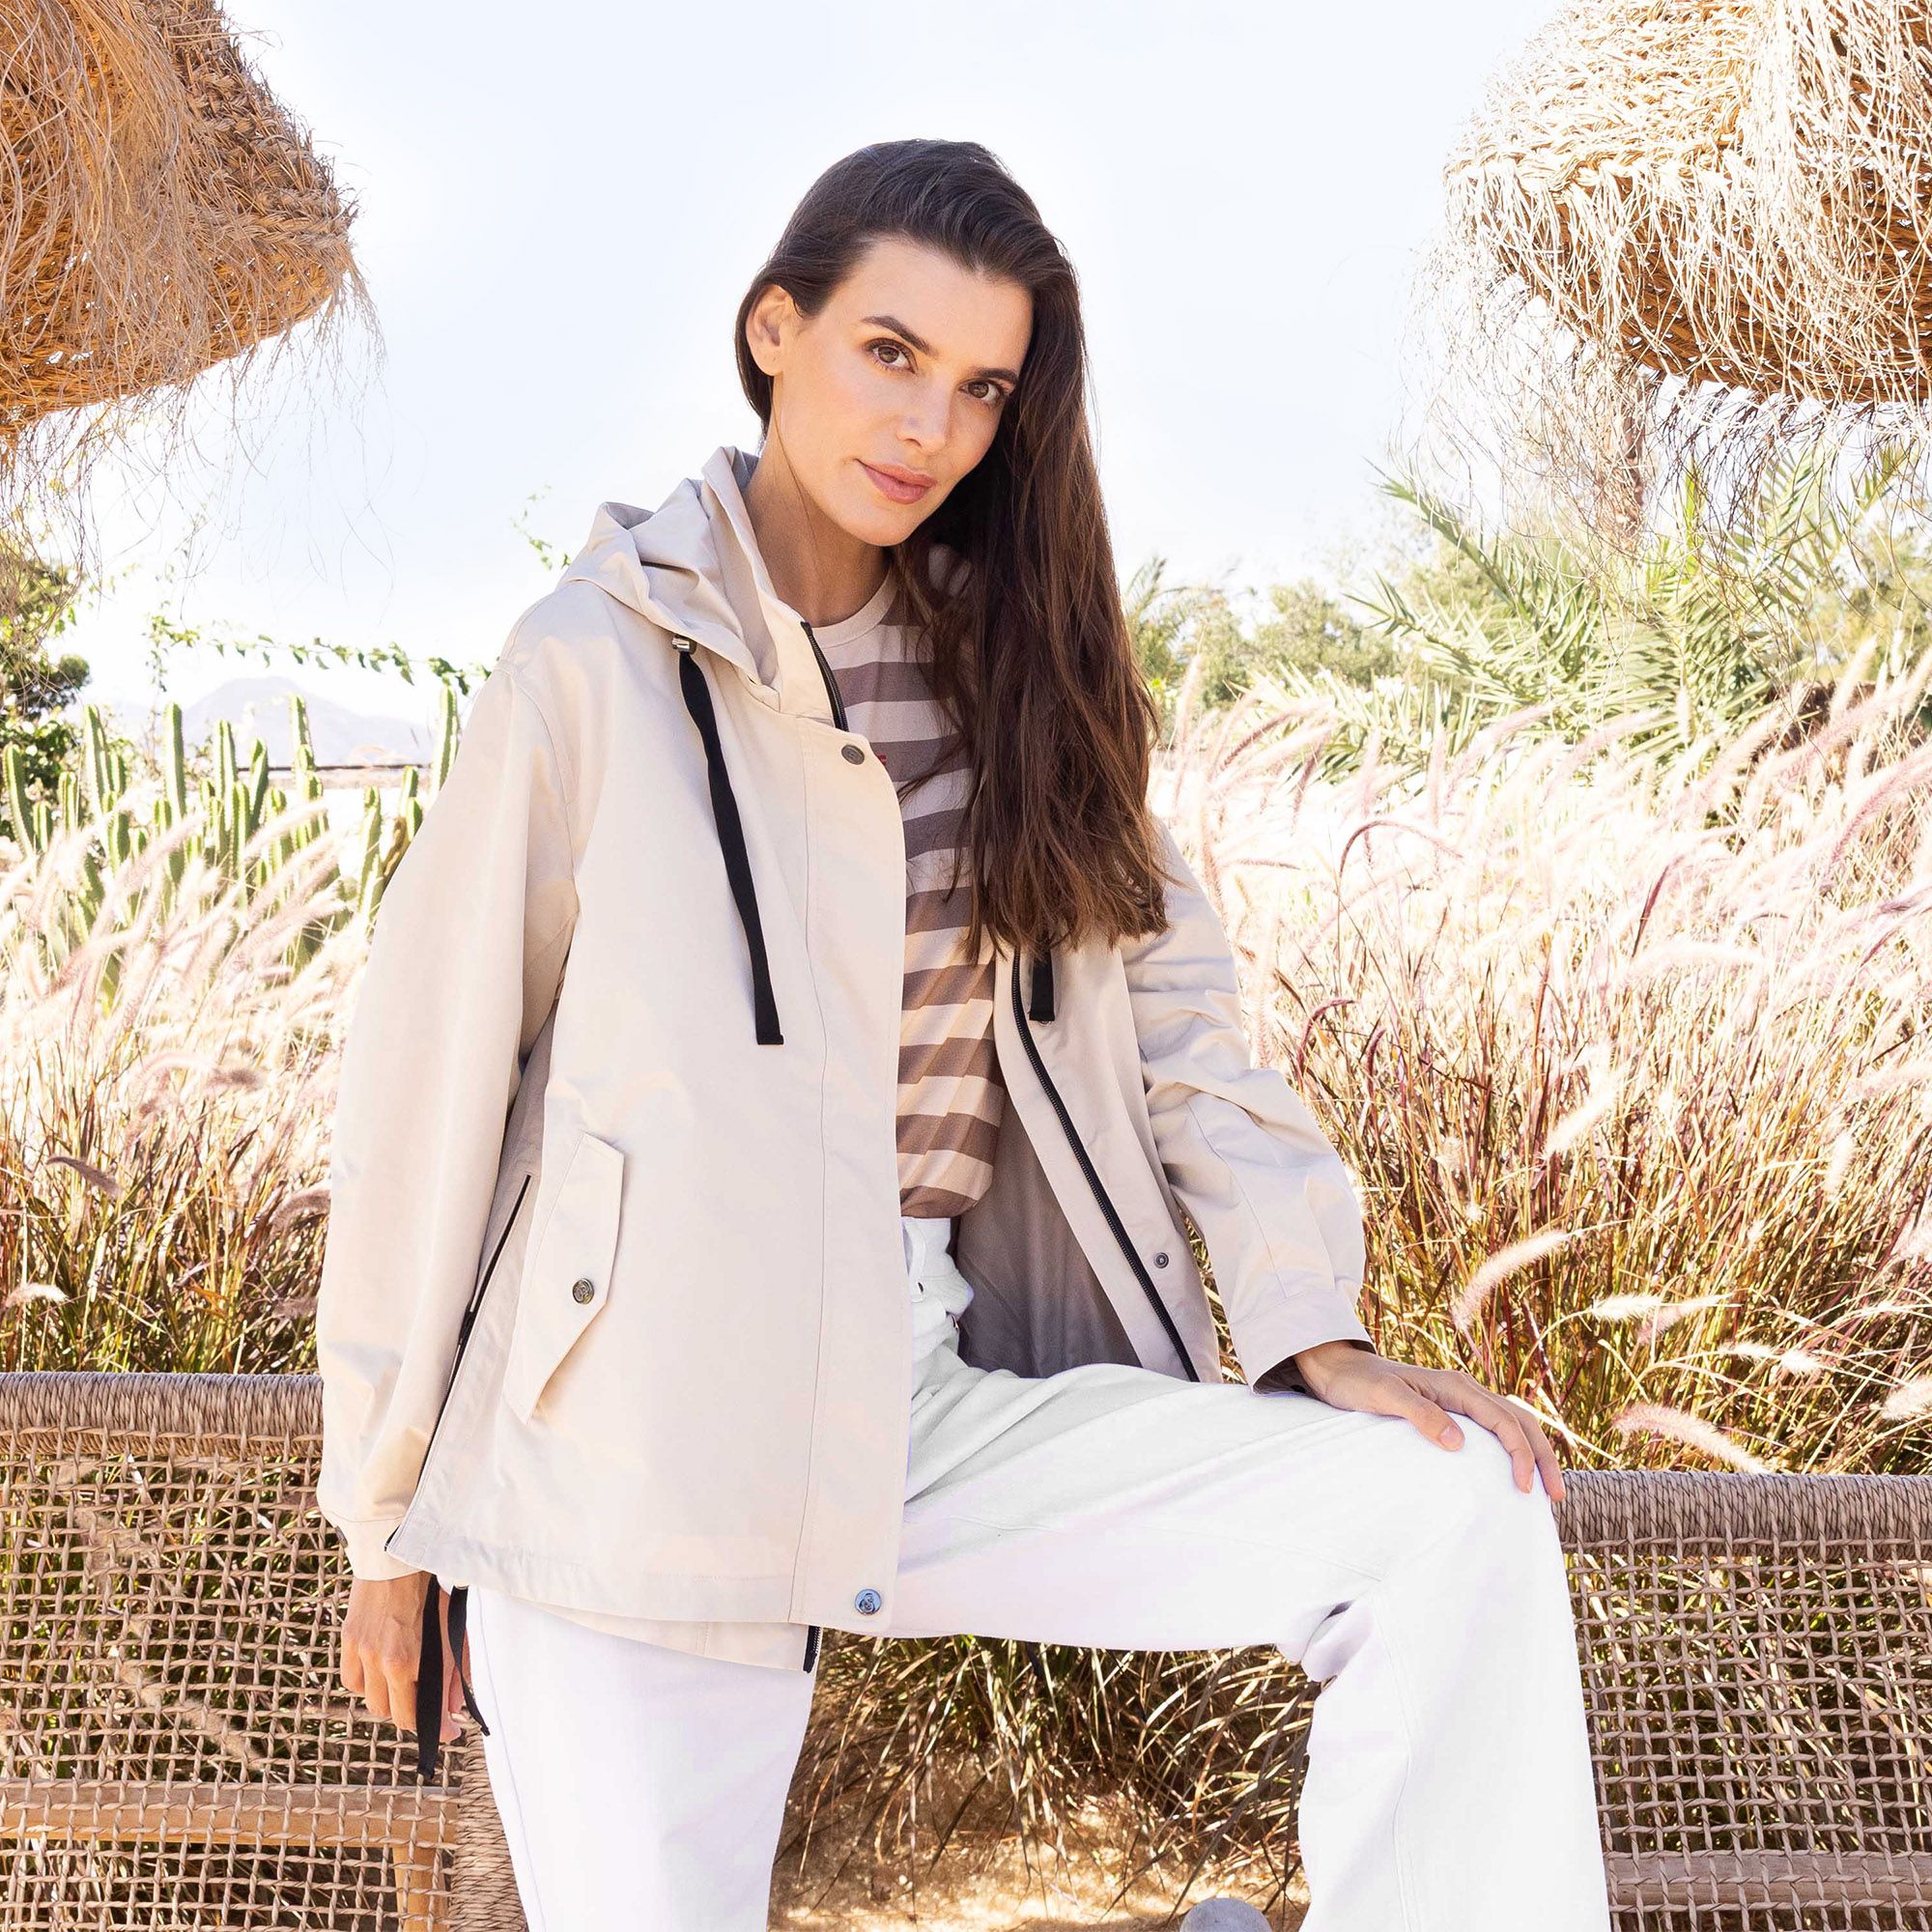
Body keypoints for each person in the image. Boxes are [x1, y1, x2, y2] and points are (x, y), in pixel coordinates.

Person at [315, 137, 1612, 1931]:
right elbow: (429, 1093)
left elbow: (1184, 1038)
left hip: (924, 1383)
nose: (931, 425)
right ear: (775, 331)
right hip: (643, 1425)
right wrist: (386, 1522)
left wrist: (1312, 1324)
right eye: (890, 352)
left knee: (1449, 1514)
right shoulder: (593, 666)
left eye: (985, 387)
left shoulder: (1026, 683)